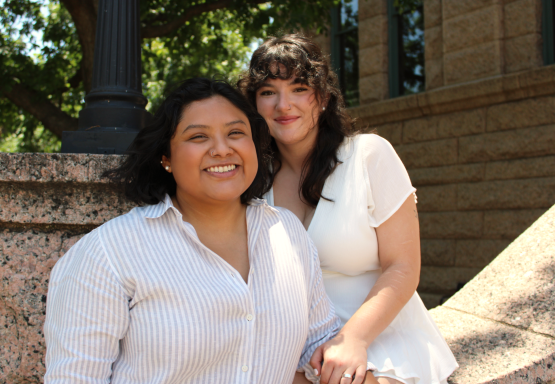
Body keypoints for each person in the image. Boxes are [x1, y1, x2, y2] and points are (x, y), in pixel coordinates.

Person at [44, 78, 341, 384]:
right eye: (198, 137)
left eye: (236, 133)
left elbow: (322, 347)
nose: (222, 149)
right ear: (166, 158)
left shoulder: (287, 232)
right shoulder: (108, 252)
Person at [238, 34, 458, 384]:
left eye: (298, 89)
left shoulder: (369, 155)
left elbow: (402, 267)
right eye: (268, 92)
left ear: (322, 97)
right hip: (294, 348)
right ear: (254, 105)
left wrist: (352, 339)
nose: (283, 105)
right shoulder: (252, 182)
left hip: (379, 339)